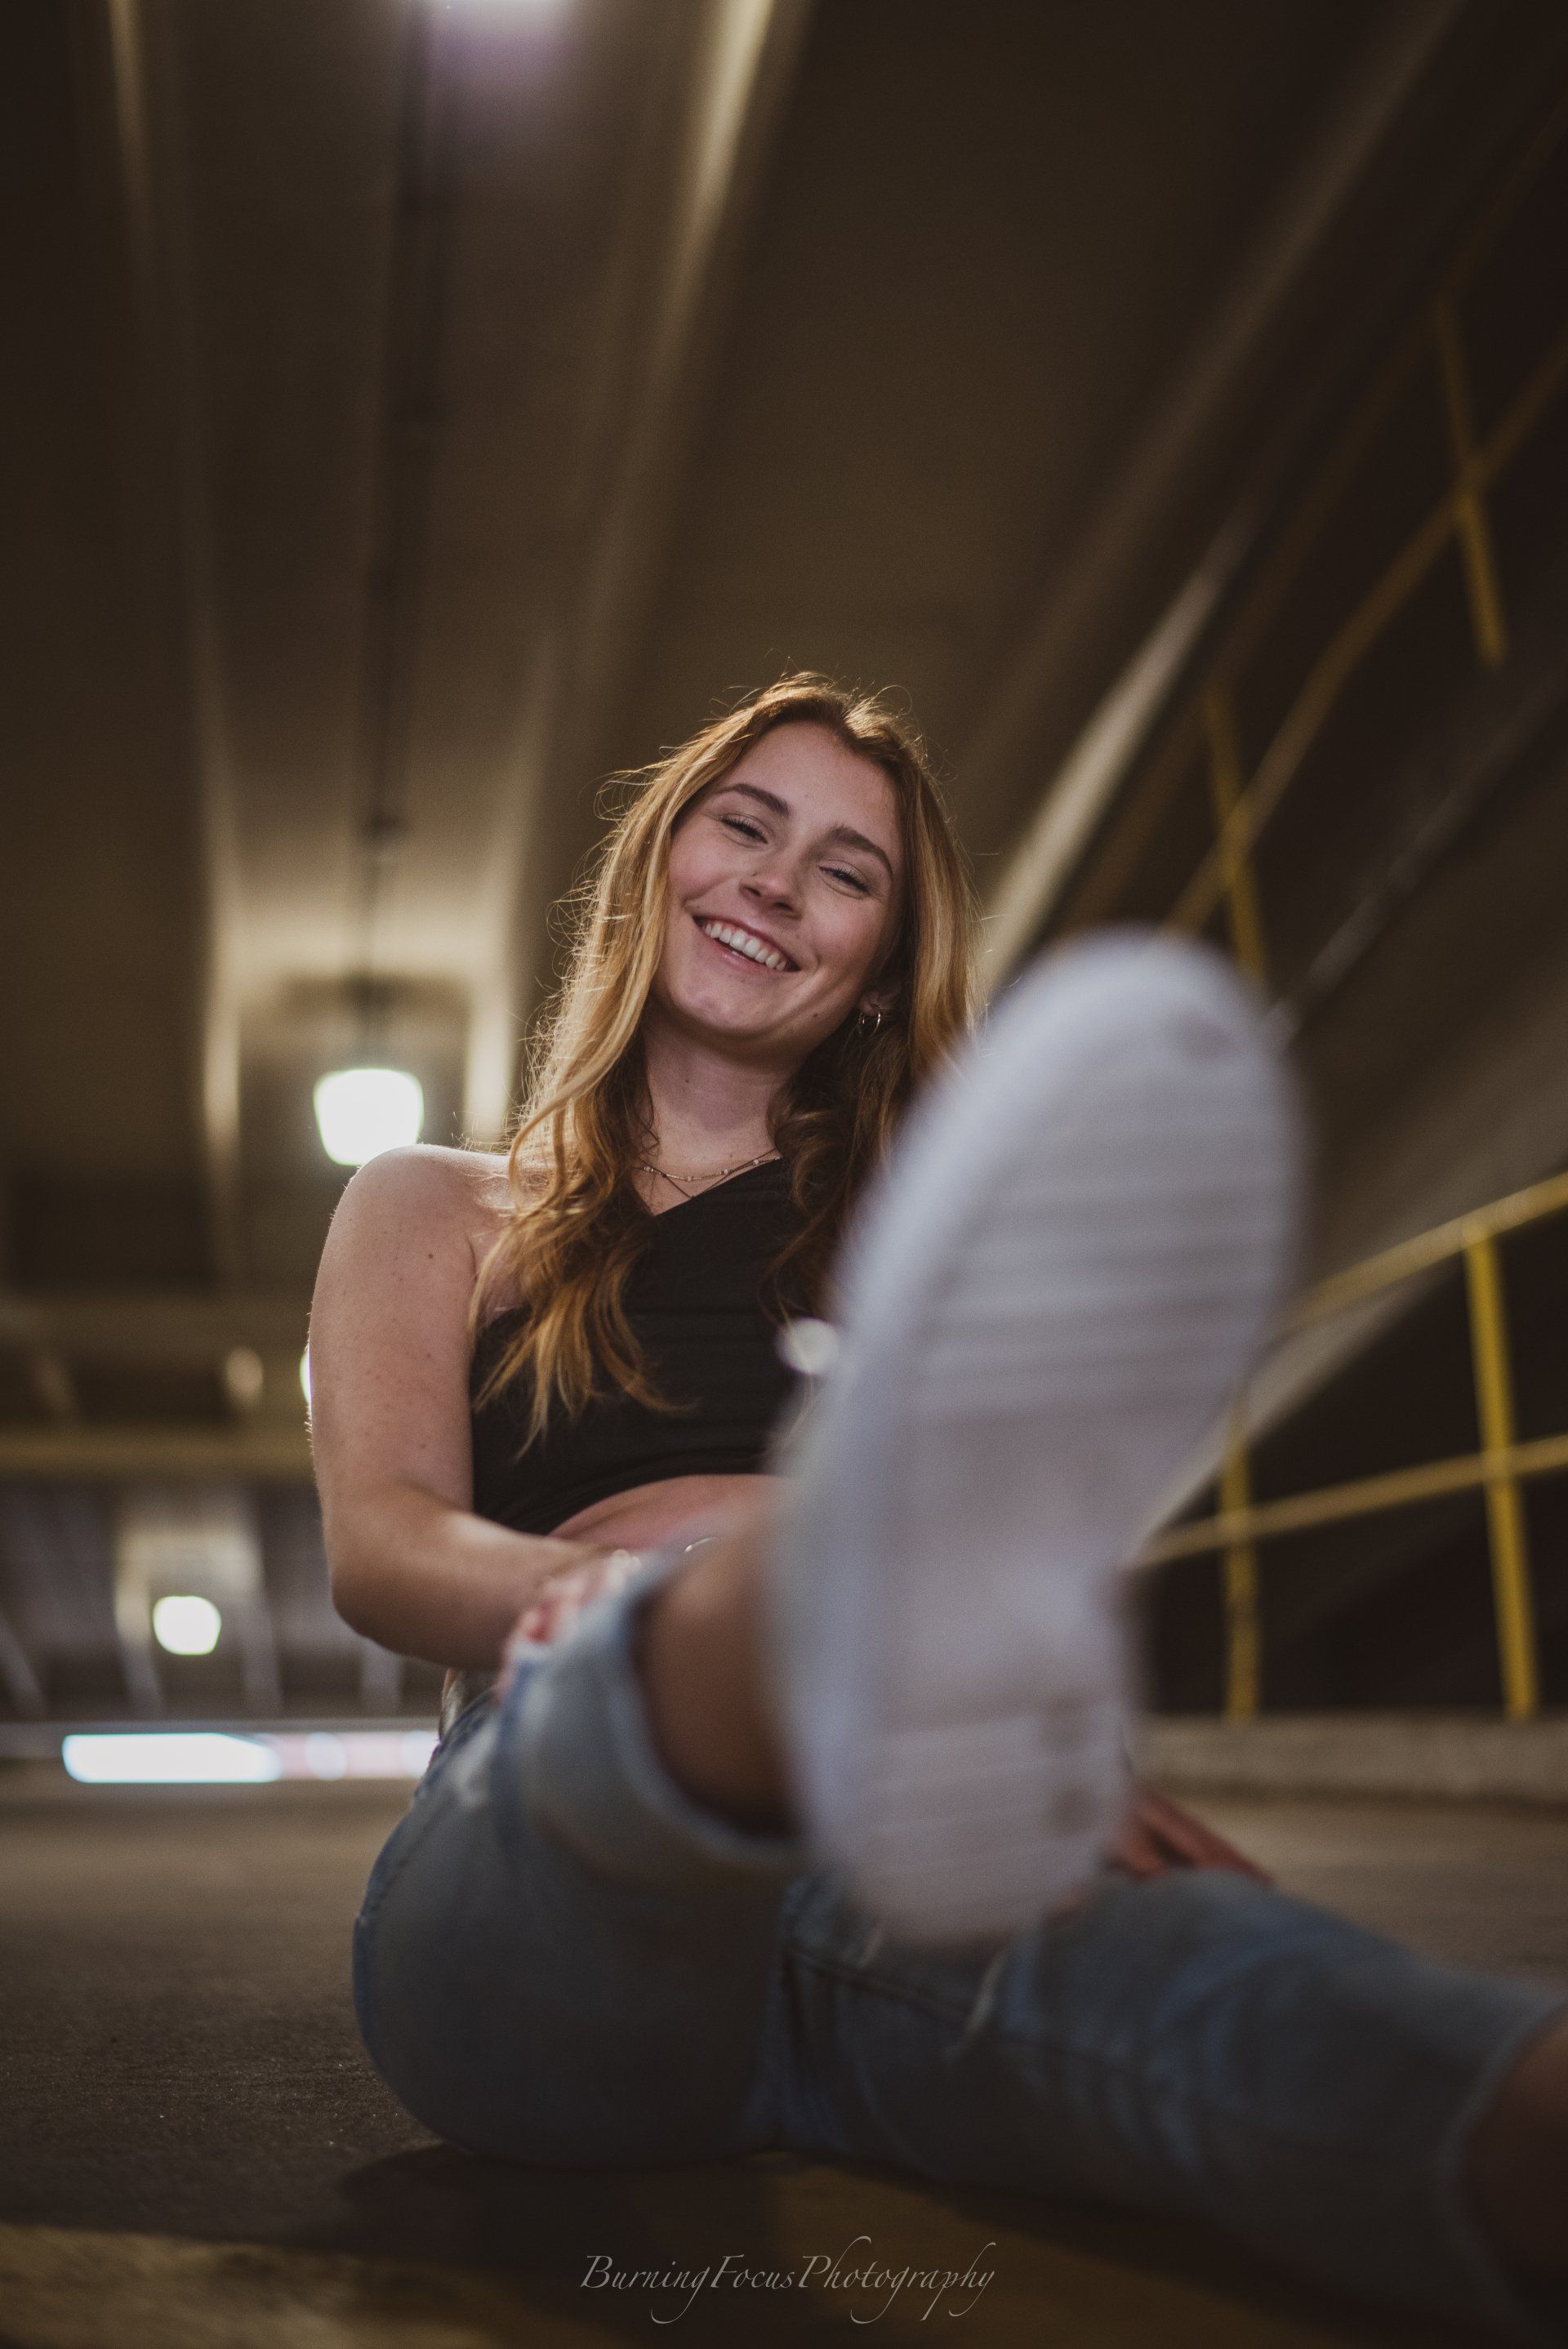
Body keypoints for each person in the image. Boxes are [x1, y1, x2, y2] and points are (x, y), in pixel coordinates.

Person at [310, 675, 1568, 2339]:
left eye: (846, 871)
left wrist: (1055, 1774)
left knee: (1281, 2014)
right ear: (657, 862)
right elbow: (384, 1544)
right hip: (556, 1853)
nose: (776, 880)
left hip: (910, 1831)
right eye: (746, 825)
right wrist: (616, 1604)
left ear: (880, 966)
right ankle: (776, 1623)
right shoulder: (436, 1202)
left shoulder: (907, 1232)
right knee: (677, 1666)